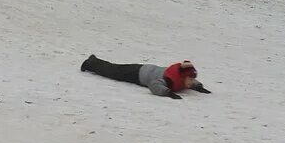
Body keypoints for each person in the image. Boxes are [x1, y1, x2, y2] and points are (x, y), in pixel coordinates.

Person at [80, 55, 211, 99]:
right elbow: (154, 85)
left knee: (114, 69)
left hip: (146, 69)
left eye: (193, 79)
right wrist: (167, 93)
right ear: (183, 77)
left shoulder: (184, 79)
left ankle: (93, 62)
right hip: (138, 73)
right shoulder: (169, 79)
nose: (192, 82)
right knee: (113, 71)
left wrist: (198, 87)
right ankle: (91, 62)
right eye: (191, 79)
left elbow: (192, 81)